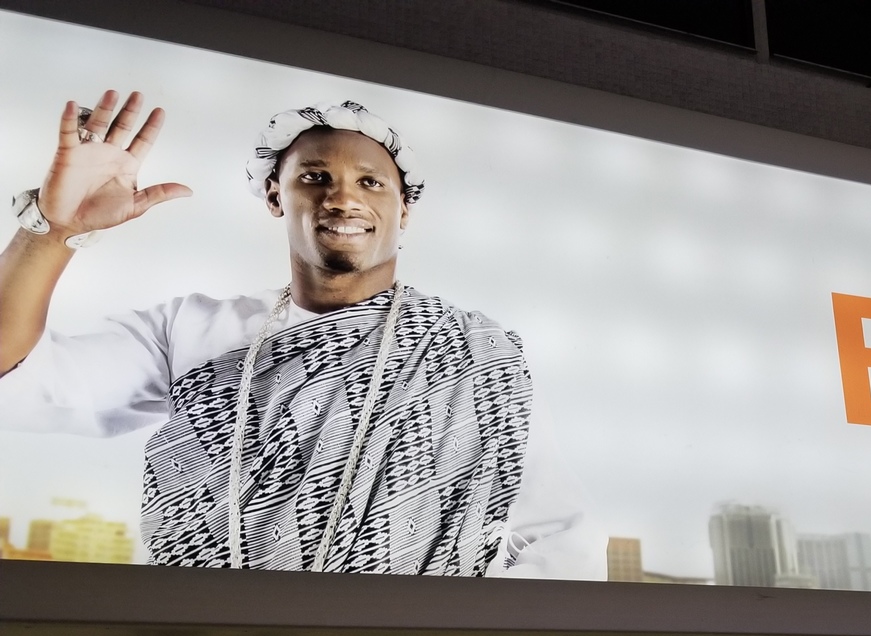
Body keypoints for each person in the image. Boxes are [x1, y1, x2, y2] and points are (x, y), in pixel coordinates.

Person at [0, 90, 603, 578]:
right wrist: (52, 230)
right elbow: (18, 379)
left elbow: (556, 537)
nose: (343, 198)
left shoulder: (475, 352)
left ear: (404, 208)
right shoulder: (192, 329)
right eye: (315, 176)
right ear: (275, 196)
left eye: (371, 182)